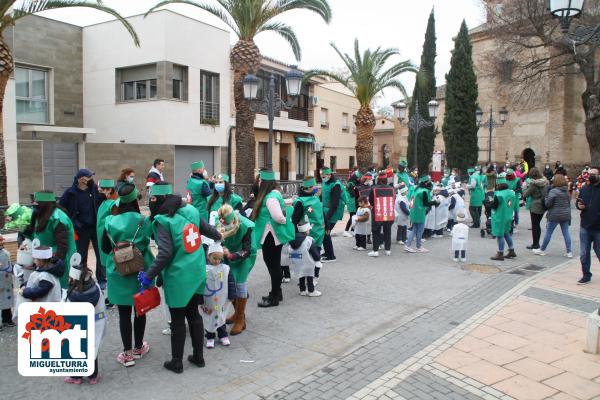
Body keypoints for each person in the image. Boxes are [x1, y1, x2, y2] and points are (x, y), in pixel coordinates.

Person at [140, 183, 222, 373]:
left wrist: (148, 276)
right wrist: (219, 236)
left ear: (158, 201)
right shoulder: (191, 210)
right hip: (196, 271)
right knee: (194, 314)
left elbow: (165, 253)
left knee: (177, 319)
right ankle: (198, 357)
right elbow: (208, 229)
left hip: (179, 275)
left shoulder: (162, 220)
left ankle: (176, 362)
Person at [101, 183, 154, 367]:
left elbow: (105, 247)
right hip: (141, 270)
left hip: (118, 270)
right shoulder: (143, 220)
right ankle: (139, 347)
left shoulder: (110, 221)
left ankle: (127, 354)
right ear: (134, 200)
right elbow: (149, 242)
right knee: (140, 309)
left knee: (124, 313)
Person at [251, 169, 294, 308]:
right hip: (270, 235)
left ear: (264, 183)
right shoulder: (271, 195)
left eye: (260, 181)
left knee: (273, 265)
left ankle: (274, 296)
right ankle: (277, 292)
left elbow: (279, 217)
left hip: (271, 235)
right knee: (273, 264)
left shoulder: (270, 197)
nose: (258, 183)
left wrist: (283, 220)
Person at [59, 169, 106, 288]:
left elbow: (103, 200)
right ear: (81, 179)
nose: (90, 179)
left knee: (100, 254)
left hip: (95, 227)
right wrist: (73, 222)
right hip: (81, 229)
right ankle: (82, 280)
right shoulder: (70, 193)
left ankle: (102, 279)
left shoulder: (94, 189)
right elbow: (61, 207)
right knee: (81, 255)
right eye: (88, 177)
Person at [24, 191, 76, 289]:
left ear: (45, 205)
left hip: (58, 260)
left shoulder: (58, 218)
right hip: (44, 259)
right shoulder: (40, 216)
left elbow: (63, 246)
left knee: (59, 288)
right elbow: (35, 236)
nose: (34, 207)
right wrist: (23, 230)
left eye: (37, 204)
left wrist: (52, 265)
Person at [64, 262, 105, 385]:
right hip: (95, 323)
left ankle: (76, 376)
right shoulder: (96, 288)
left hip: (77, 328)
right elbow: (101, 306)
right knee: (92, 349)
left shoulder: (71, 295)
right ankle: (93, 376)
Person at [220, 204, 256, 335]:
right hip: (228, 255)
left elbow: (246, 250)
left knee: (240, 284)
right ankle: (237, 314)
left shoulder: (246, 226)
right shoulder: (222, 222)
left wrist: (231, 255)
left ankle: (241, 320)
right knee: (230, 284)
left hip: (244, 256)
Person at [292, 177, 325, 283]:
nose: (316, 187)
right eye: (314, 186)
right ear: (308, 188)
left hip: (319, 232)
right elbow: (294, 220)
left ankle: (315, 276)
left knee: (316, 255)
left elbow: (322, 212)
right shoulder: (300, 202)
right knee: (305, 257)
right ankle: (303, 277)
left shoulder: (316, 198)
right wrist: (295, 235)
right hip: (306, 234)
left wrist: (327, 226)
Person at [534, 174, 572, 258]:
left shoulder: (553, 191)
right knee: (566, 233)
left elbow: (548, 204)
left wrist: (546, 197)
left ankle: (542, 249)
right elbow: (569, 203)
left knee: (549, 232)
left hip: (554, 215)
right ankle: (569, 252)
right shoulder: (566, 191)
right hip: (565, 214)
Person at [201, 242, 230, 348]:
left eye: (219, 259)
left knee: (221, 317)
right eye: (214, 258)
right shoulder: (204, 269)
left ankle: (223, 335)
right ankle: (210, 337)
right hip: (208, 300)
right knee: (209, 317)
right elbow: (200, 284)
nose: (217, 261)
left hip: (221, 299)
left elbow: (230, 282)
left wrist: (232, 294)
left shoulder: (225, 269)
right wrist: (199, 298)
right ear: (208, 257)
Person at [281, 219, 322, 297]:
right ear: (306, 231)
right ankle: (311, 291)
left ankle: (302, 290)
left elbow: (288, 251)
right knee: (310, 276)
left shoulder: (292, 239)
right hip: (308, 262)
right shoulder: (308, 240)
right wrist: (317, 259)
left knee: (301, 275)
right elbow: (314, 251)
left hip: (297, 262)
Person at [575, 167, 600, 284]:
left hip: (598, 227)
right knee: (584, 252)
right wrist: (579, 205)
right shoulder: (585, 188)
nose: (591, 176)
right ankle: (586, 274)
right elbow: (578, 201)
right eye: (590, 174)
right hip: (585, 225)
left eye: (594, 174)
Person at [405, 176, 438, 253]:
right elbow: (426, 203)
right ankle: (417, 246)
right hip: (420, 213)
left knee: (414, 229)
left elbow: (411, 201)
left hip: (413, 211)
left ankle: (409, 245)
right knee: (420, 230)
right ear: (426, 183)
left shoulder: (416, 189)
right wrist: (435, 202)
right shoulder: (424, 191)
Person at [320, 167, 346, 262]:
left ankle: (331, 256)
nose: (323, 178)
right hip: (326, 209)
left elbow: (334, 204)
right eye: (321, 176)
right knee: (324, 232)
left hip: (334, 211)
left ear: (330, 175)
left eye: (324, 176)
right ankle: (327, 252)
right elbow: (323, 195)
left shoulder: (336, 185)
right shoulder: (325, 182)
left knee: (325, 232)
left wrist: (326, 219)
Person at [491, 174, 518, 261]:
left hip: (500, 217)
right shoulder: (511, 193)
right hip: (509, 216)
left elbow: (494, 206)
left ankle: (500, 253)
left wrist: (491, 202)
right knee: (506, 233)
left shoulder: (499, 194)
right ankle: (511, 250)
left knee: (500, 235)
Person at [96, 179, 117, 294]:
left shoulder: (114, 204)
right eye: (100, 189)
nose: (101, 192)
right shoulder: (103, 203)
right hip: (101, 237)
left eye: (104, 190)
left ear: (110, 190)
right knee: (105, 264)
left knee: (112, 266)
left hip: (109, 238)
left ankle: (113, 293)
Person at [368, 171, 395, 257]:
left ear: (378, 179)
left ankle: (375, 251)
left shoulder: (374, 188)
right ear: (386, 179)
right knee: (387, 231)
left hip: (377, 213)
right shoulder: (392, 188)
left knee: (376, 232)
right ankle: (388, 250)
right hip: (389, 213)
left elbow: (371, 202)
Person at [522, 168, 548, 250]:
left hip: (536, 205)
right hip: (543, 204)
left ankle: (535, 244)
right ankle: (536, 243)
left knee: (535, 225)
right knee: (537, 224)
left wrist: (524, 187)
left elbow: (525, 194)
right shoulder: (545, 182)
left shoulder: (533, 184)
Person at [0, 236, 13, 328]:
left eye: (1, 242)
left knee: (7, 301)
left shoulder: (5, 253)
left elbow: (9, 264)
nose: (1, 243)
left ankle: (7, 319)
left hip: (6, 279)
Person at [343, 171, 360, 237]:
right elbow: (352, 194)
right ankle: (346, 231)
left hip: (354, 202)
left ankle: (352, 230)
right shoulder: (351, 184)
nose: (359, 179)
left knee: (354, 217)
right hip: (351, 202)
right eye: (358, 178)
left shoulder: (353, 183)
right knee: (352, 216)